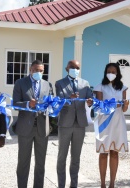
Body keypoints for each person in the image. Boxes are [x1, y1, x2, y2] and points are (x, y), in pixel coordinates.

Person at [12, 59, 54, 188]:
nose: (38, 72)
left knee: (40, 163)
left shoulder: (48, 85)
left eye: (41, 71)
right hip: (25, 128)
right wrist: (27, 104)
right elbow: (15, 104)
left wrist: (53, 107)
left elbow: (51, 104)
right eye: (36, 70)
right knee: (24, 162)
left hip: (42, 128)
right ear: (30, 69)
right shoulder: (20, 83)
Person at [55, 59, 93, 188]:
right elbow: (59, 100)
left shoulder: (85, 83)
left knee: (76, 158)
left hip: (80, 124)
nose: (75, 70)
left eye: (77, 68)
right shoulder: (60, 83)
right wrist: (68, 99)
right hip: (65, 124)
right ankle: (61, 185)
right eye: (72, 68)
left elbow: (90, 97)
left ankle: (74, 185)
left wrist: (90, 101)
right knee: (62, 157)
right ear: (67, 69)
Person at [93, 63, 129, 188]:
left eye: (114, 72)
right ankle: (102, 184)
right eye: (109, 71)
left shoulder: (123, 88)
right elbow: (99, 107)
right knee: (103, 152)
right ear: (105, 72)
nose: (111, 74)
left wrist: (125, 105)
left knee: (115, 152)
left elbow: (124, 109)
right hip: (105, 122)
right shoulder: (100, 87)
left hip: (118, 122)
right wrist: (112, 105)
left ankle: (112, 184)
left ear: (118, 73)